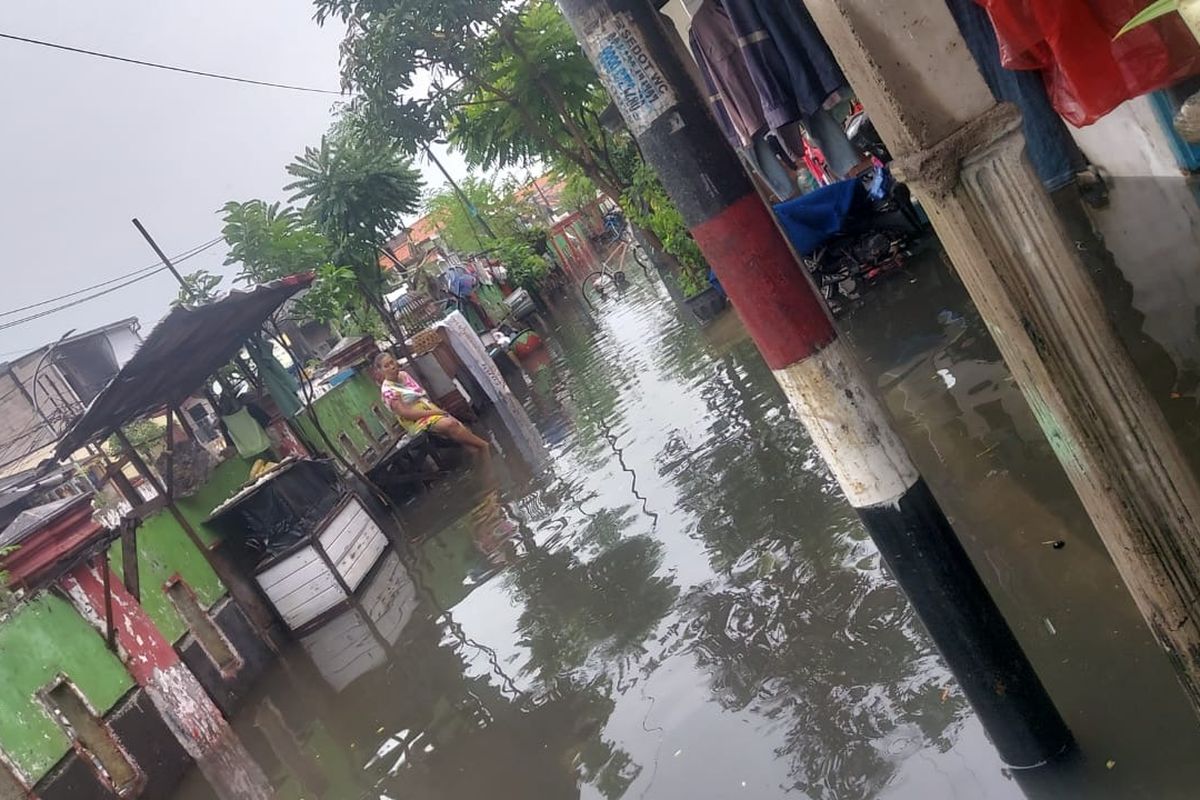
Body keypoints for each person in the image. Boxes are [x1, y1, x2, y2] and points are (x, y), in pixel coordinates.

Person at [374, 352, 490, 456]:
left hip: (427, 408)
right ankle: (484, 446)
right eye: (386, 366)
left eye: (392, 362)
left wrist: (435, 410)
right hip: (415, 420)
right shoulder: (388, 391)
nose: (392, 367)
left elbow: (420, 395)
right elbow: (406, 414)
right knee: (450, 424)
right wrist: (436, 412)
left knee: (465, 434)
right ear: (380, 371)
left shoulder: (403, 375)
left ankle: (485, 468)